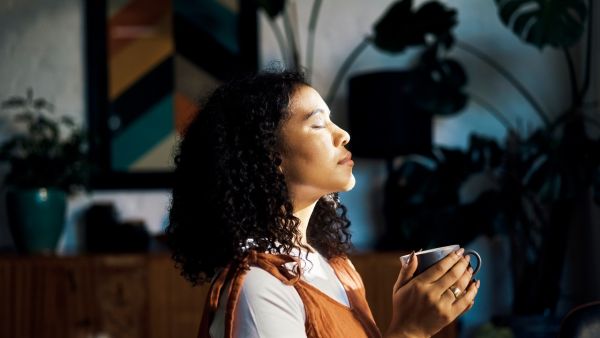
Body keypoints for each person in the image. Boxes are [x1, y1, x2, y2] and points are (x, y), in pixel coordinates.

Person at [167, 70, 480, 338]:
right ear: (270, 156)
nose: (343, 134)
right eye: (318, 125)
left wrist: (413, 314)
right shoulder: (257, 289)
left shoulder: (335, 266)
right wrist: (411, 330)